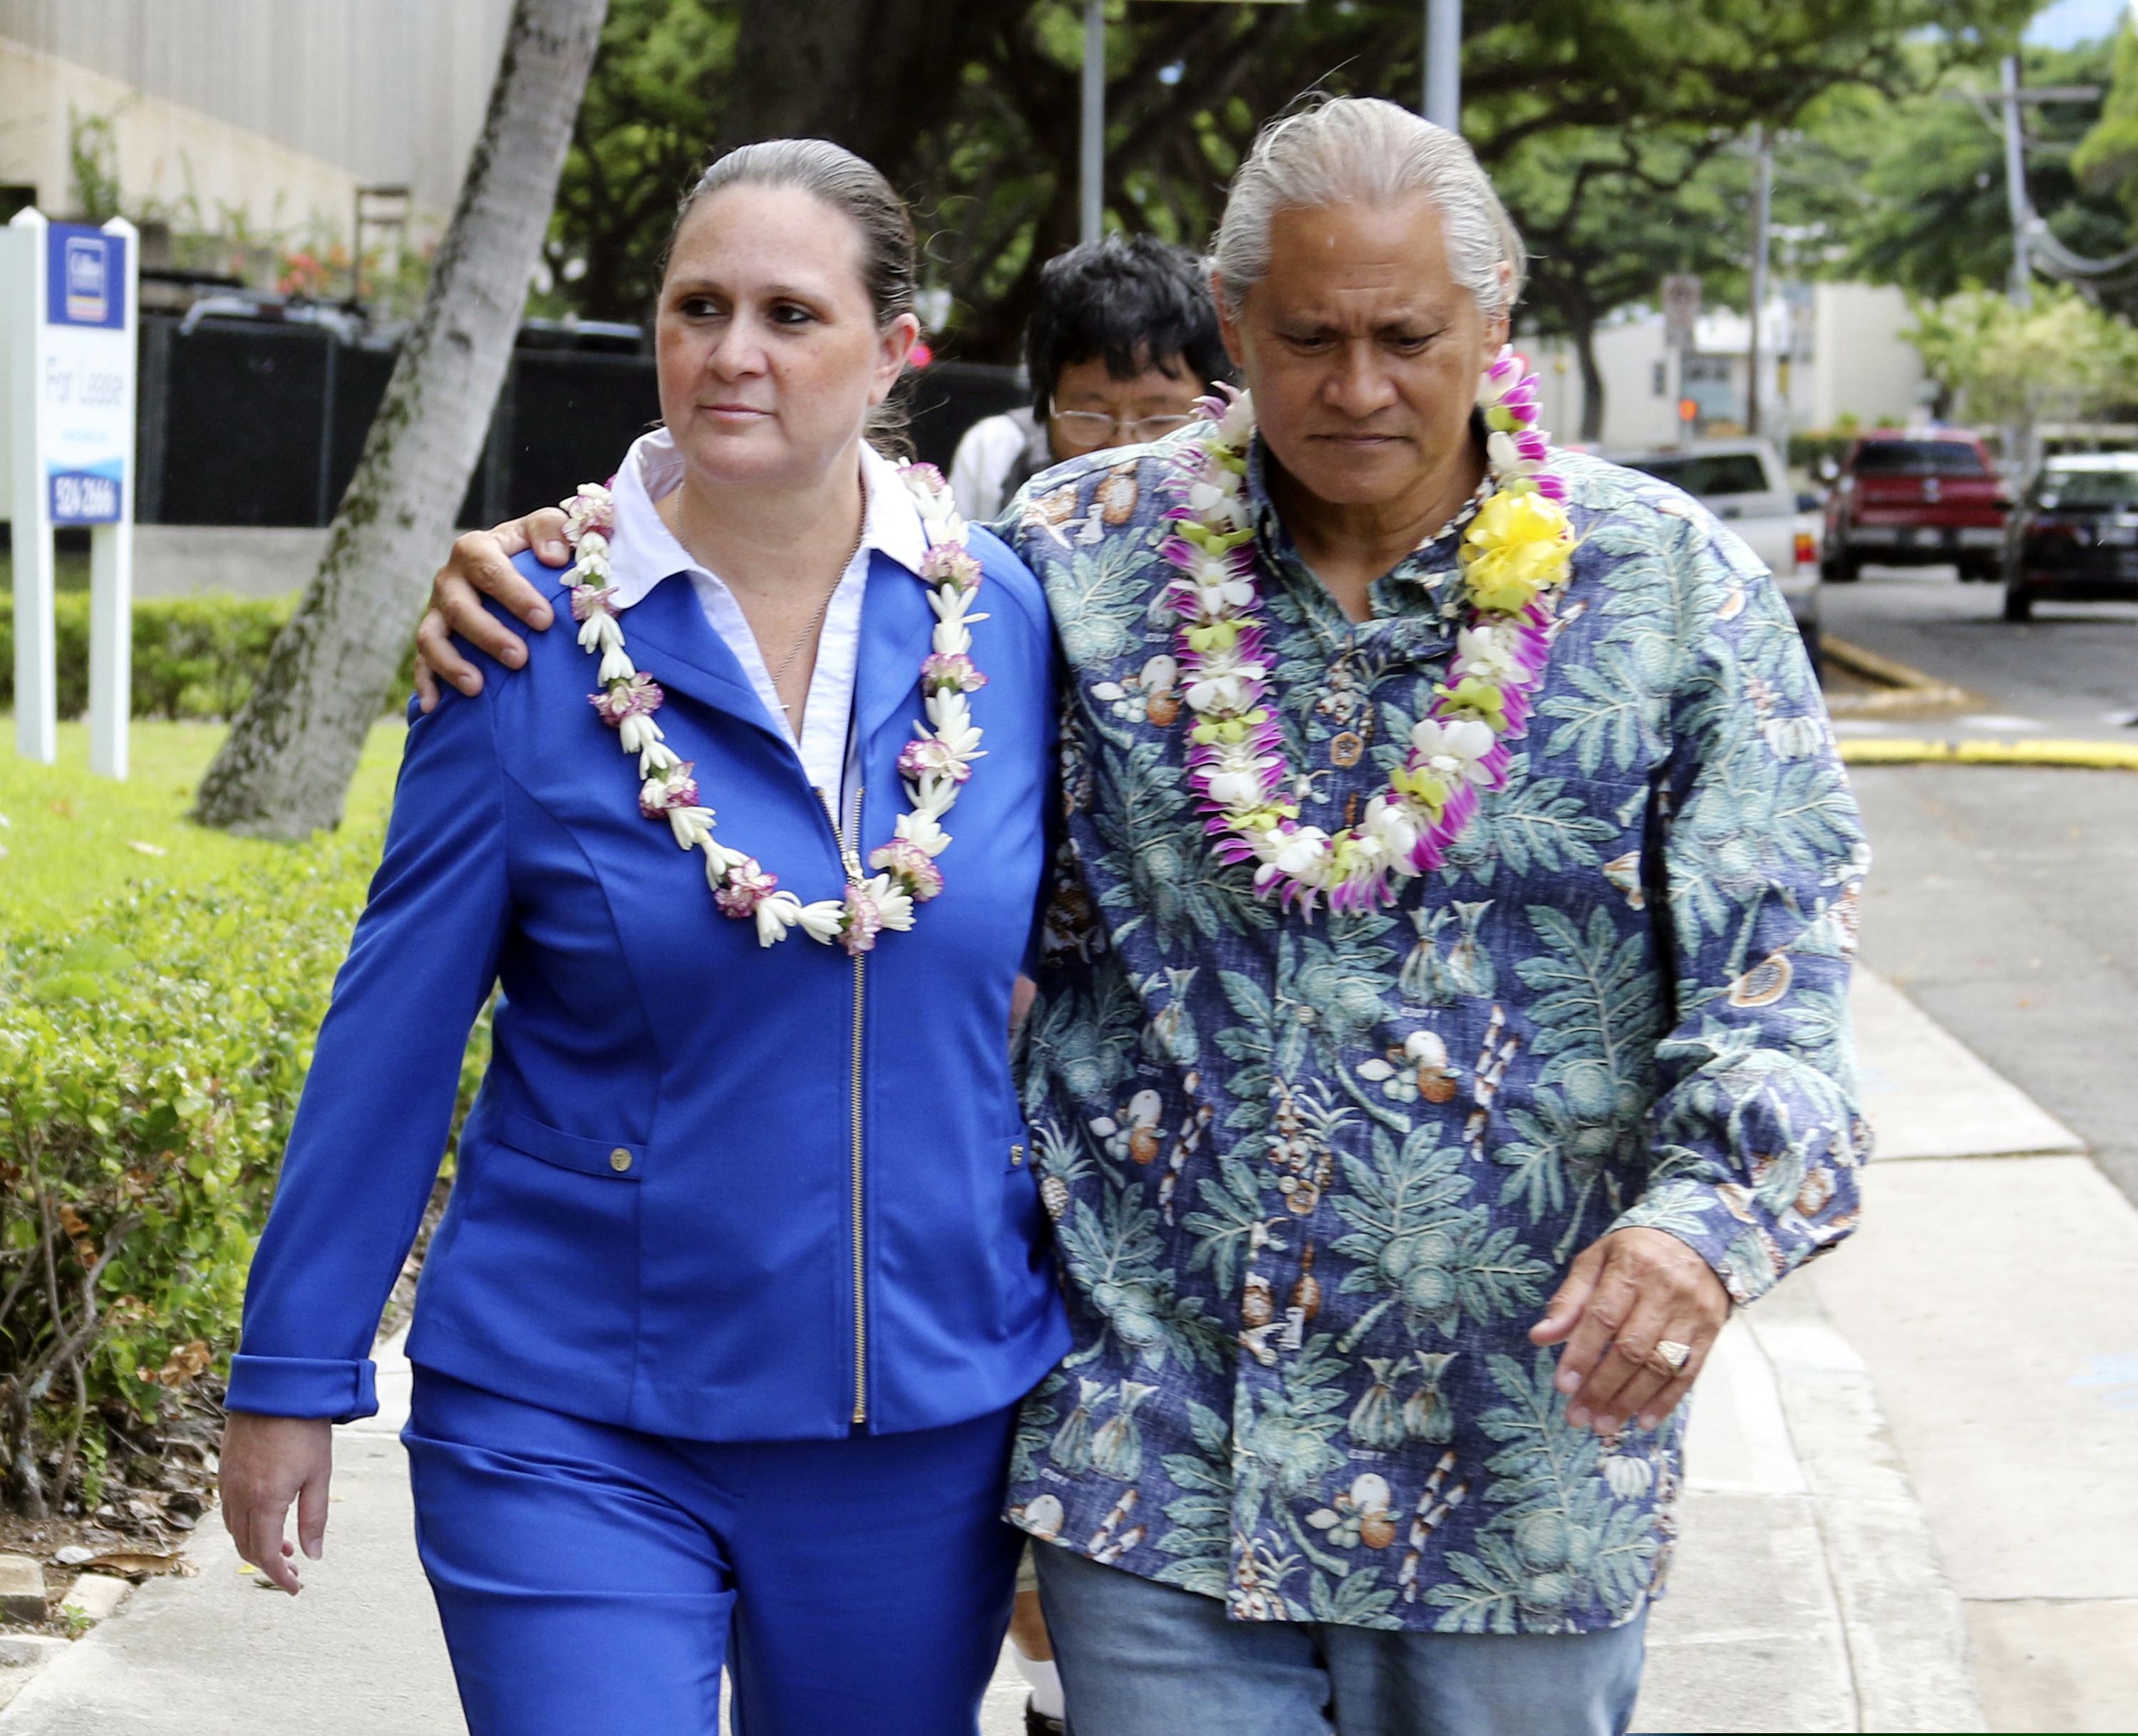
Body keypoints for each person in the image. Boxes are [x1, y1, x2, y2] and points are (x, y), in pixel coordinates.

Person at [415, 98, 1869, 1736]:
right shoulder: (1073, 563)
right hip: (1159, 1459)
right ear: (1232, 323)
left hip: (1511, 1473)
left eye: (1407, 336)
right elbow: (801, 622)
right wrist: (562, 571)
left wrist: (1698, 1228)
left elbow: (1783, 974)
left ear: (1497, 312)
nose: (1357, 386)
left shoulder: (1669, 590)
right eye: (1306, 337)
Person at [217, 139, 1070, 1736]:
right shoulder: (526, 633)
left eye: (790, 315)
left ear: (899, 352)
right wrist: (292, 1373)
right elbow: (394, 1028)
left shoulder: (1009, 620)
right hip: (570, 1406)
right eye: (698, 305)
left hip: (920, 1419)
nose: (732, 352)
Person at [948, 234, 1228, 524]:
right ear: (1046, 408)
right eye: (1091, 417)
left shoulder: (1251, 498)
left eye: (1159, 419)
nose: (1124, 452)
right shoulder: (995, 455)